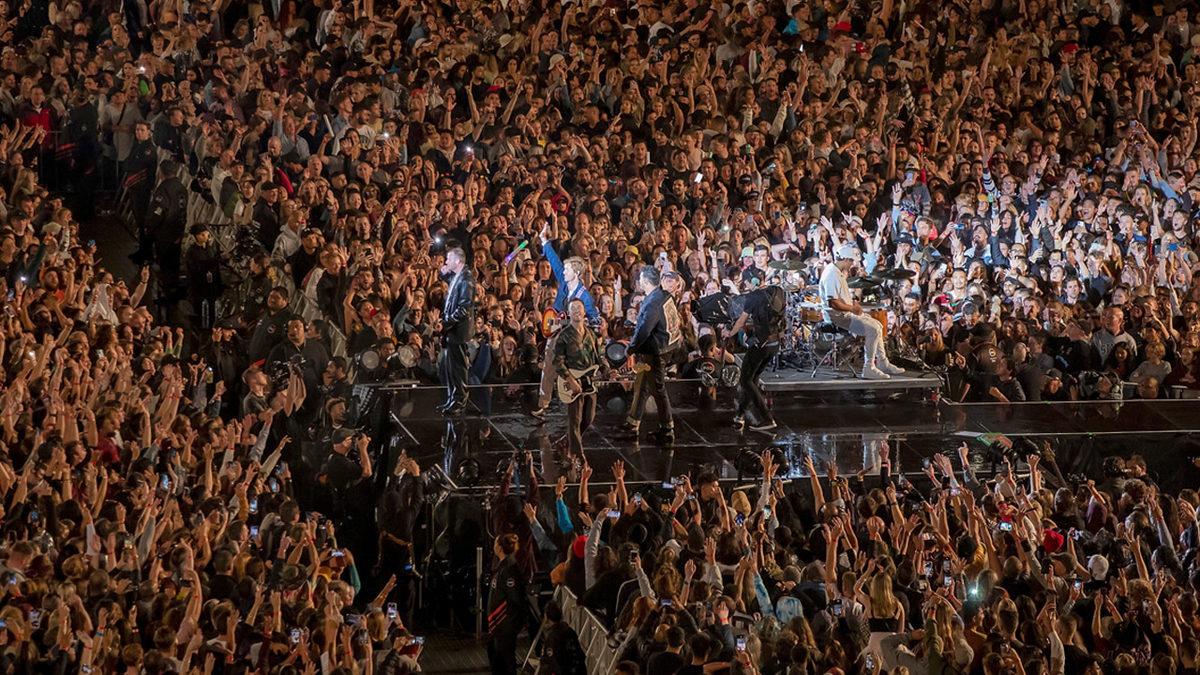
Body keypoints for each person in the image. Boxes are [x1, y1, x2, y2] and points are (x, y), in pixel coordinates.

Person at [534, 222, 600, 420]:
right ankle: (542, 405)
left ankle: (578, 400)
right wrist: (545, 241)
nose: (563, 271)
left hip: (573, 336)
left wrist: (594, 321)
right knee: (548, 365)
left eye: (568, 269)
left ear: (576, 273)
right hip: (557, 329)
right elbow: (554, 260)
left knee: (575, 368)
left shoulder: (584, 296)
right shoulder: (563, 283)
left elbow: (594, 318)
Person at [819, 243, 906, 380]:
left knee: (878, 325)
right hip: (837, 318)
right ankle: (869, 367)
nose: (852, 264)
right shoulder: (832, 275)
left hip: (846, 313)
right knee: (873, 329)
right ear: (846, 259)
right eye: (851, 261)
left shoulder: (836, 271)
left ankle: (883, 363)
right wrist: (852, 308)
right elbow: (833, 303)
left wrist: (852, 304)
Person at [621, 265, 677, 444]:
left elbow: (645, 329)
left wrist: (631, 347)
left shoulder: (653, 302)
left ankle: (667, 428)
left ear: (644, 281)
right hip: (663, 349)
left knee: (657, 389)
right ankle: (633, 423)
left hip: (655, 353)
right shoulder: (663, 295)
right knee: (643, 384)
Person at [724, 285, 786, 432]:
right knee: (752, 379)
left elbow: (741, 321)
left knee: (745, 379)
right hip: (775, 343)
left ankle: (767, 418)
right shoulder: (778, 292)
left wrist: (730, 333)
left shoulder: (752, 298)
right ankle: (739, 415)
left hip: (761, 344)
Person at [554, 298, 602, 458]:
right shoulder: (564, 336)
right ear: (569, 313)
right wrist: (570, 379)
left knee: (588, 418)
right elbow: (557, 361)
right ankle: (577, 457)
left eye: (579, 308)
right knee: (574, 421)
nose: (576, 311)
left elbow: (598, 358)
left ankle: (567, 442)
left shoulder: (591, 334)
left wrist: (608, 369)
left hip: (590, 381)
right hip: (573, 381)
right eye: (573, 309)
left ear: (584, 311)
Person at [487, 533, 529, 675]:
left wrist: (512, 624)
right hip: (498, 626)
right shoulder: (502, 567)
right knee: (496, 658)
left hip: (505, 625)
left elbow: (516, 598)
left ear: (499, 548)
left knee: (506, 661)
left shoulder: (510, 569)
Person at [439, 247, 474, 415]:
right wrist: (443, 272)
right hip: (453, 331)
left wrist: (447, 321)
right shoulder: (457, 276)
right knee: (451, 368)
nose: (446, 262)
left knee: (459, 369)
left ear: (458, 261)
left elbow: (464, 308)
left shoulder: (466, 279)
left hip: (459, 332)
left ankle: (460, 401)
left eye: (449, 259)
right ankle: (452, 399)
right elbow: (444, 275)